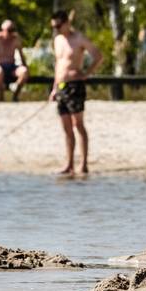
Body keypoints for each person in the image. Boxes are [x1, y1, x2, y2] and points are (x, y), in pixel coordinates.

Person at [49, 10, 103, 176]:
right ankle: (69, 164)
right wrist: (54, 88)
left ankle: (84, 163)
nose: (56, 29)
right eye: (53, 27)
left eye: (58, 26)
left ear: (66, 23)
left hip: (75, 85)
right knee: (66, 127)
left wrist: (86, 73)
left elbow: (98, 56)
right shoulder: (58, 40)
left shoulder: (78, 38)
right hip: (61, 86)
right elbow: (58, 65)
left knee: (78, 124)